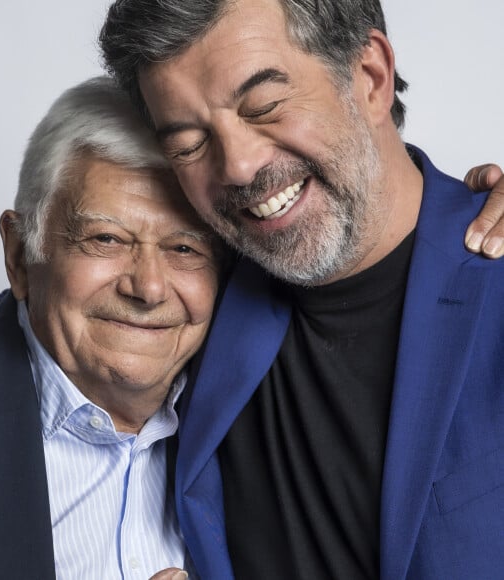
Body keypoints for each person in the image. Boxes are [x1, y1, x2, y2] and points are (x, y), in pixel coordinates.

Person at [103, 1, 504, 578]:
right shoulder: (189, 299)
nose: (237, 167)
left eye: (263, 107)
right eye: (189, 144)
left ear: (370, 78)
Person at [0, 76, 225, 580]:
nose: (148, 288)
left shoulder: (255, 417)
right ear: (20, 255)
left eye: (185, 248)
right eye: (106, 239)